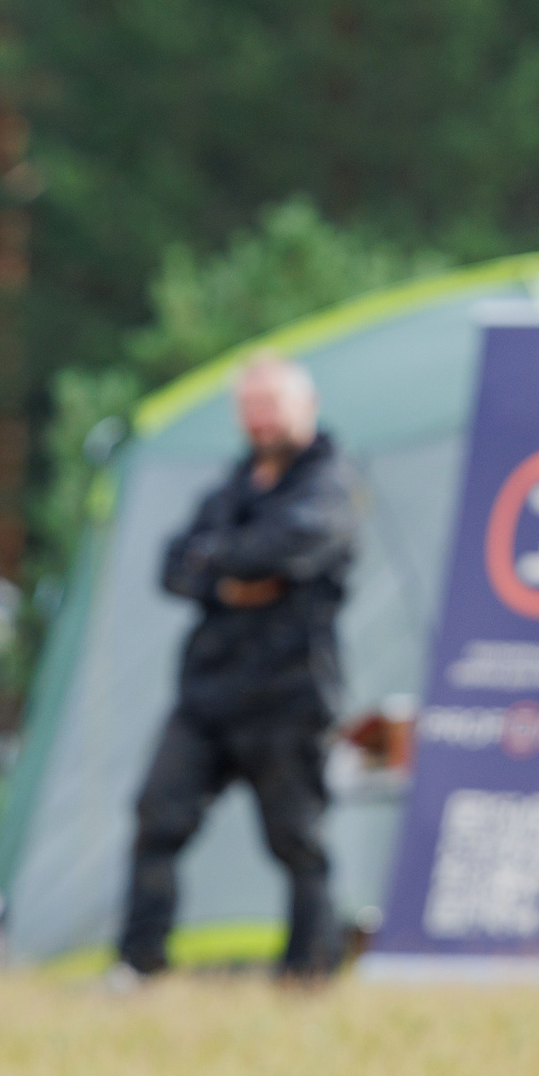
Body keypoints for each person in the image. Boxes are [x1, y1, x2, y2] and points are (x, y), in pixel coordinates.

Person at [118, 355, 357, 981]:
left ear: (305, 407)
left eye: (271, 404)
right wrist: (232, 580)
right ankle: (138, 965)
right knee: (157, 817)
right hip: (209, 693)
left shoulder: (329, 483)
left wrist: (215, 565)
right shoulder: (230, 489)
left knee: (297, 838)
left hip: (289, 691)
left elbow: (287, 544)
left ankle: (309, 972)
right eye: (250, 406)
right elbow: (171, 565)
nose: (260, 419)